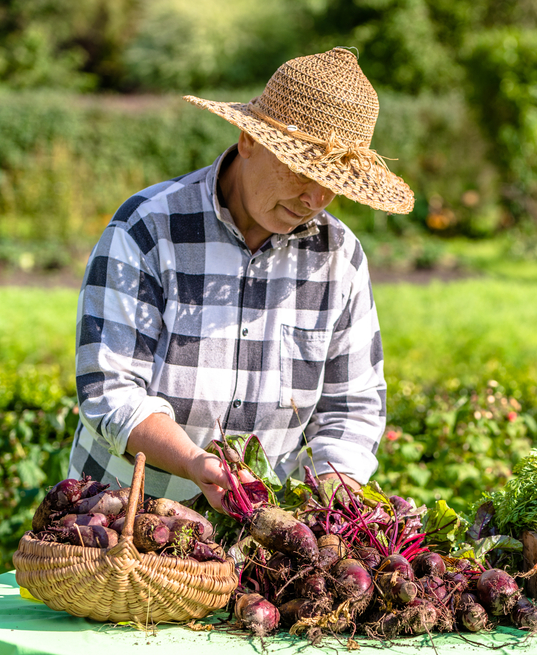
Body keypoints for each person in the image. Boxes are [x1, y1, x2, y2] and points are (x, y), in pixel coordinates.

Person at [68, 48, 414, 512]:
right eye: (301, 170)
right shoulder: (149, 227)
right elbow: (110, 389)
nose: (314, 197)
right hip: (122, 521)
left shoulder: (338, 257)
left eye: (333, 182)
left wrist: (335, 501)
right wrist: (193, 461)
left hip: (257, 539)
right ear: (248, 140)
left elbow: (350, 408)